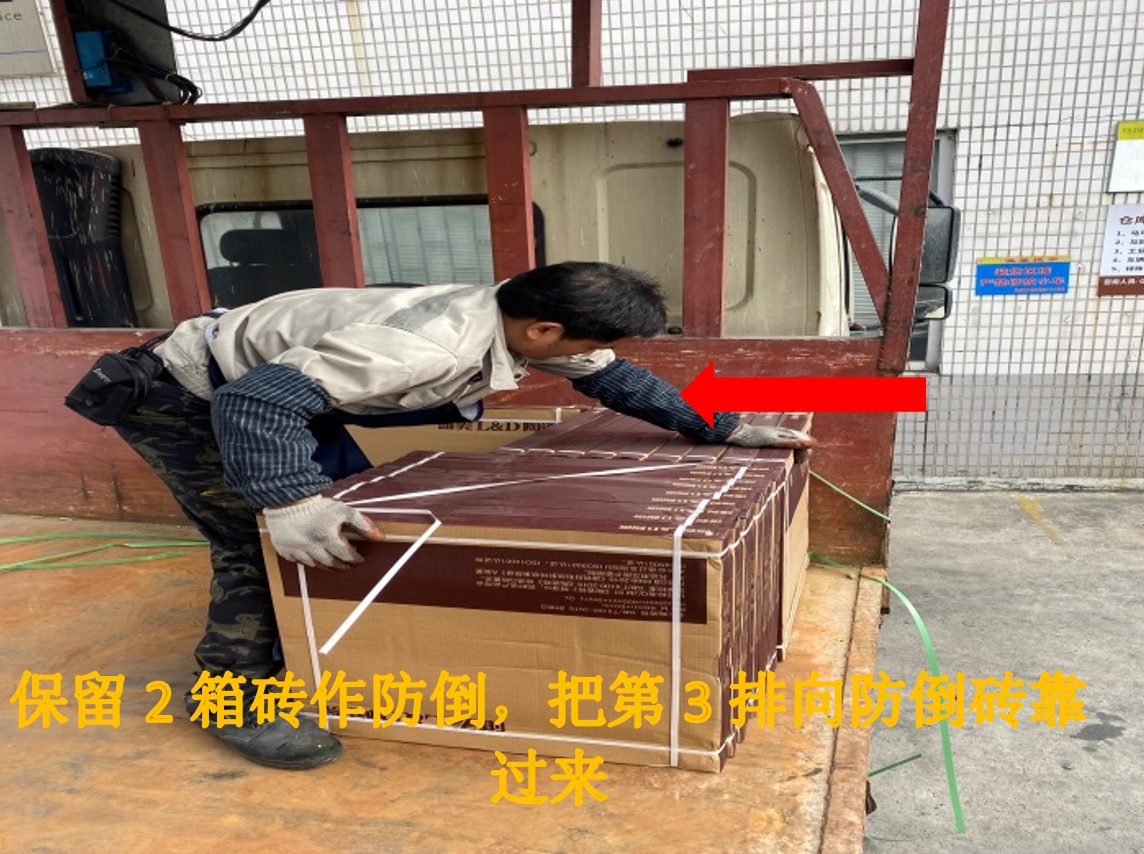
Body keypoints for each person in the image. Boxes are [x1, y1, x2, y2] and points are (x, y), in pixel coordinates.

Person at [109, 261, 814, 770]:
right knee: (262, 542)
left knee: (350, 515)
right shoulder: (426, 347)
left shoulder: (516, 311)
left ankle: (316, 646)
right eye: (579, 342)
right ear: (543, 328)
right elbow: (254, 403)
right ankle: (229, 699)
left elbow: (613, 377)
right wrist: (288, 499)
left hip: (281, 390)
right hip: (193, 395)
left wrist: (716, 426)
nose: (592, 355)